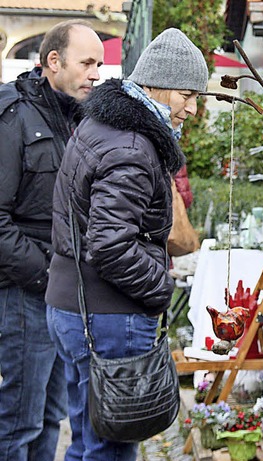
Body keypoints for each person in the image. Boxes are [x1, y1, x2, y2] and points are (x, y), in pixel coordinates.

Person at [45, 28, 208, 460]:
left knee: (87, 440)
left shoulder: (105, 124)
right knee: (110, 450)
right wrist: (161, 289)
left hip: (74, 307)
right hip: (108, 317)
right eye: (187, 94)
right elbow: (112, 245)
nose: (192, 109)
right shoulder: (133, 144)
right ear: (157, 84)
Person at [0, 20, 104, 461]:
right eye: (87, 63)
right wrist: (47, 274)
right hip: (27, 292)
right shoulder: (13, 117)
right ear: (53, 62)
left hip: (64, 294)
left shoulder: (82, 118)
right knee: (19, 422)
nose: (96, 74)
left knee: (51, 416)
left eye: (98, 63)